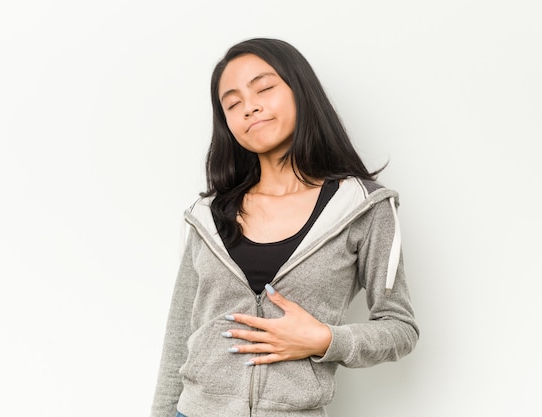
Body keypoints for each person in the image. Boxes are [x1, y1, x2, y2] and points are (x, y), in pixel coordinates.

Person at [151, 38, 418, 417]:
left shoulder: (363, 208)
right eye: (233, 103)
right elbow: (179, 338)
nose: (250, 107)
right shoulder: (208, 215)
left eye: (263, 88)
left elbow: (400, 327)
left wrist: (325, 339)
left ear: (300, 91)